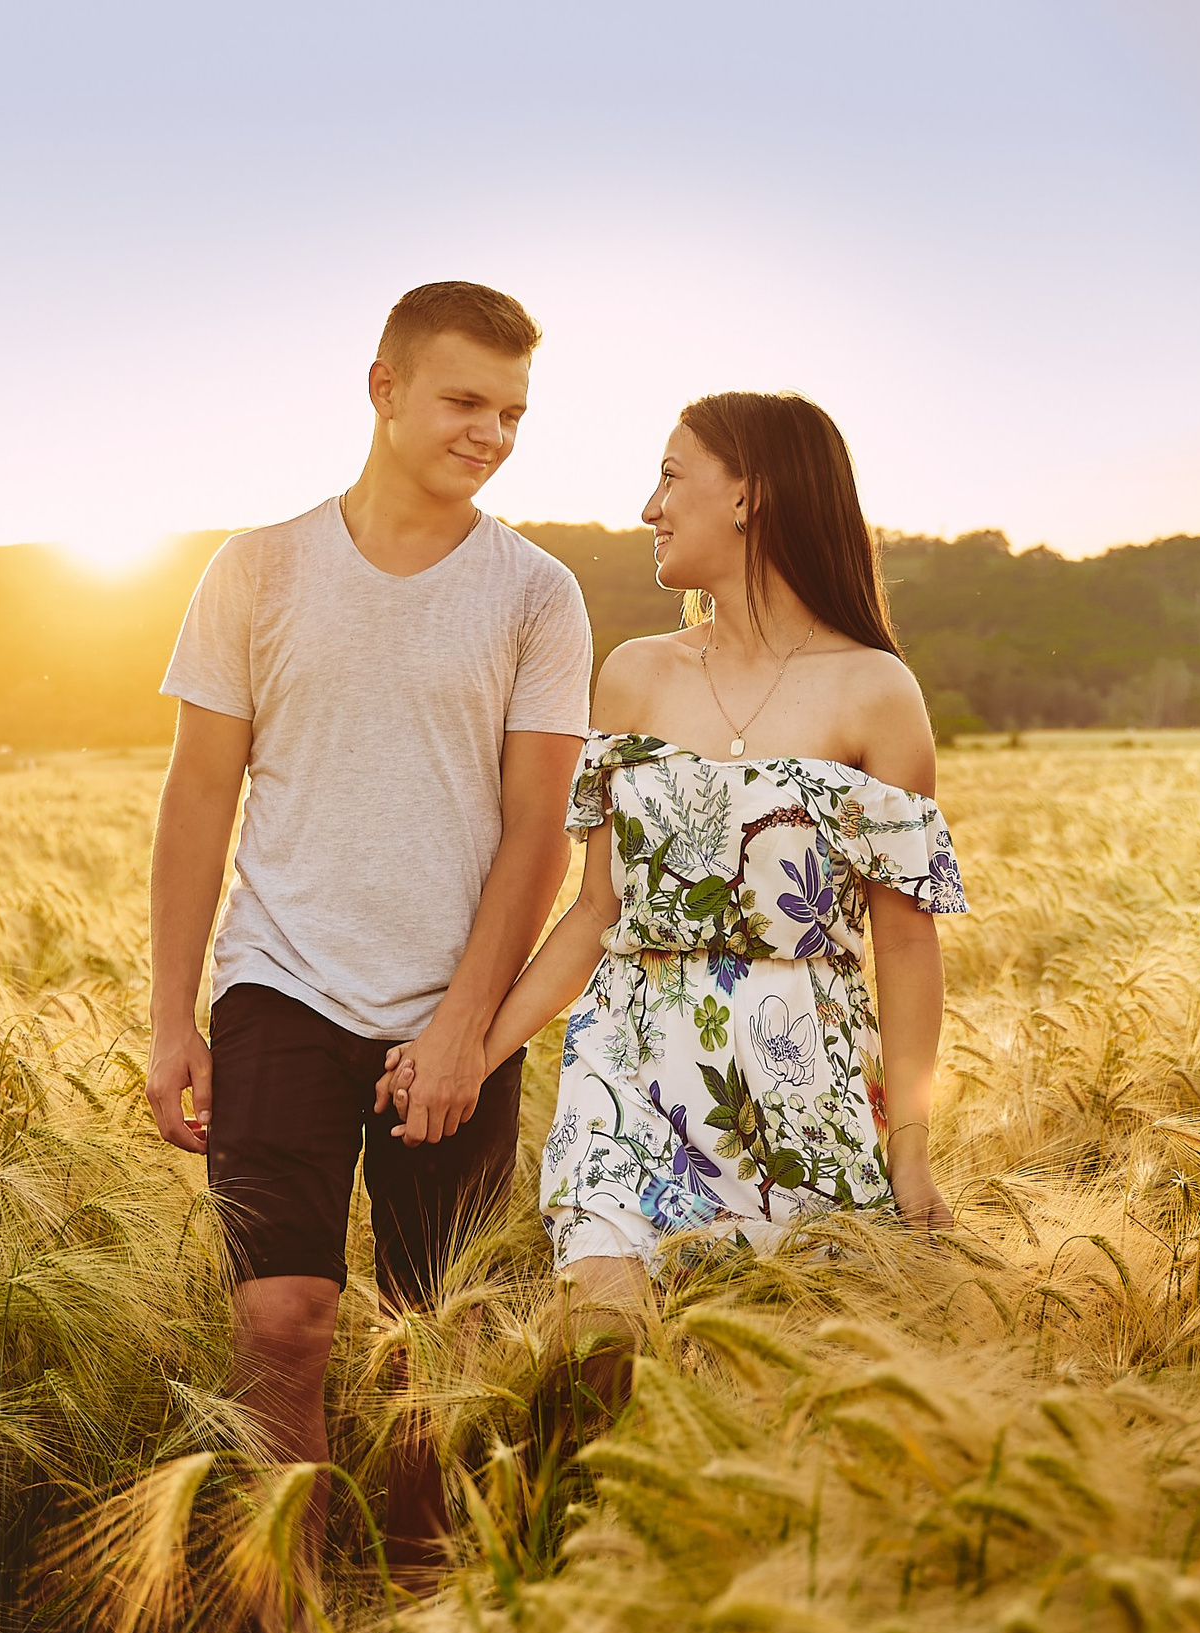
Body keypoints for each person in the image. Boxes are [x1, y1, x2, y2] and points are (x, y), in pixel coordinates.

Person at [144, 281, 594, 1575]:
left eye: (512, 411)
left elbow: (538, 833)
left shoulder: (537, 594)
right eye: (465, 400)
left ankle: (415, 1602)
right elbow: (197, 796)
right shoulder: (258, 566)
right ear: (385, 387)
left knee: (430, 1342)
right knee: (283, 1320)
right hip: (281, 983)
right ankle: (286, 1609)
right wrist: (175, 1015)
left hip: (454, 1006)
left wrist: (464, 1029)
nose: (491, 432)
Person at [383, 391, 962, 1304]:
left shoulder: (876, 692)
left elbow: (905, 942)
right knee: (598, 1340)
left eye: (669, 476)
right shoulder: (635, 674)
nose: (649, 506)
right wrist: (469, 1056)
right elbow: (594, 915)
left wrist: (913, 1154)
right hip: (628, 1078)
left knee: (772, 1384)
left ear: (749, 496)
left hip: (800, 1094)